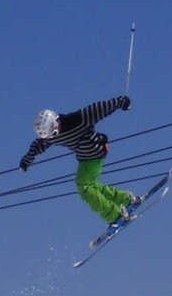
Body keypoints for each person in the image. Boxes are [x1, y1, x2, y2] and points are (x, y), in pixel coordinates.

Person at [19, 96, 142, 227]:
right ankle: (125, 199)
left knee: (84, 188)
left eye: (53, 133)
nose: (53, 137)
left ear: (56, 122)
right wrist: (26, 160)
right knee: (90, 185)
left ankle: (114, 214)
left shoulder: (78, 120)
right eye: (49, 136)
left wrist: (120, 102)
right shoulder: (50, 137)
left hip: (95, 152)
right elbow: (38, 145)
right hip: (84, 158)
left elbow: (98, 109)